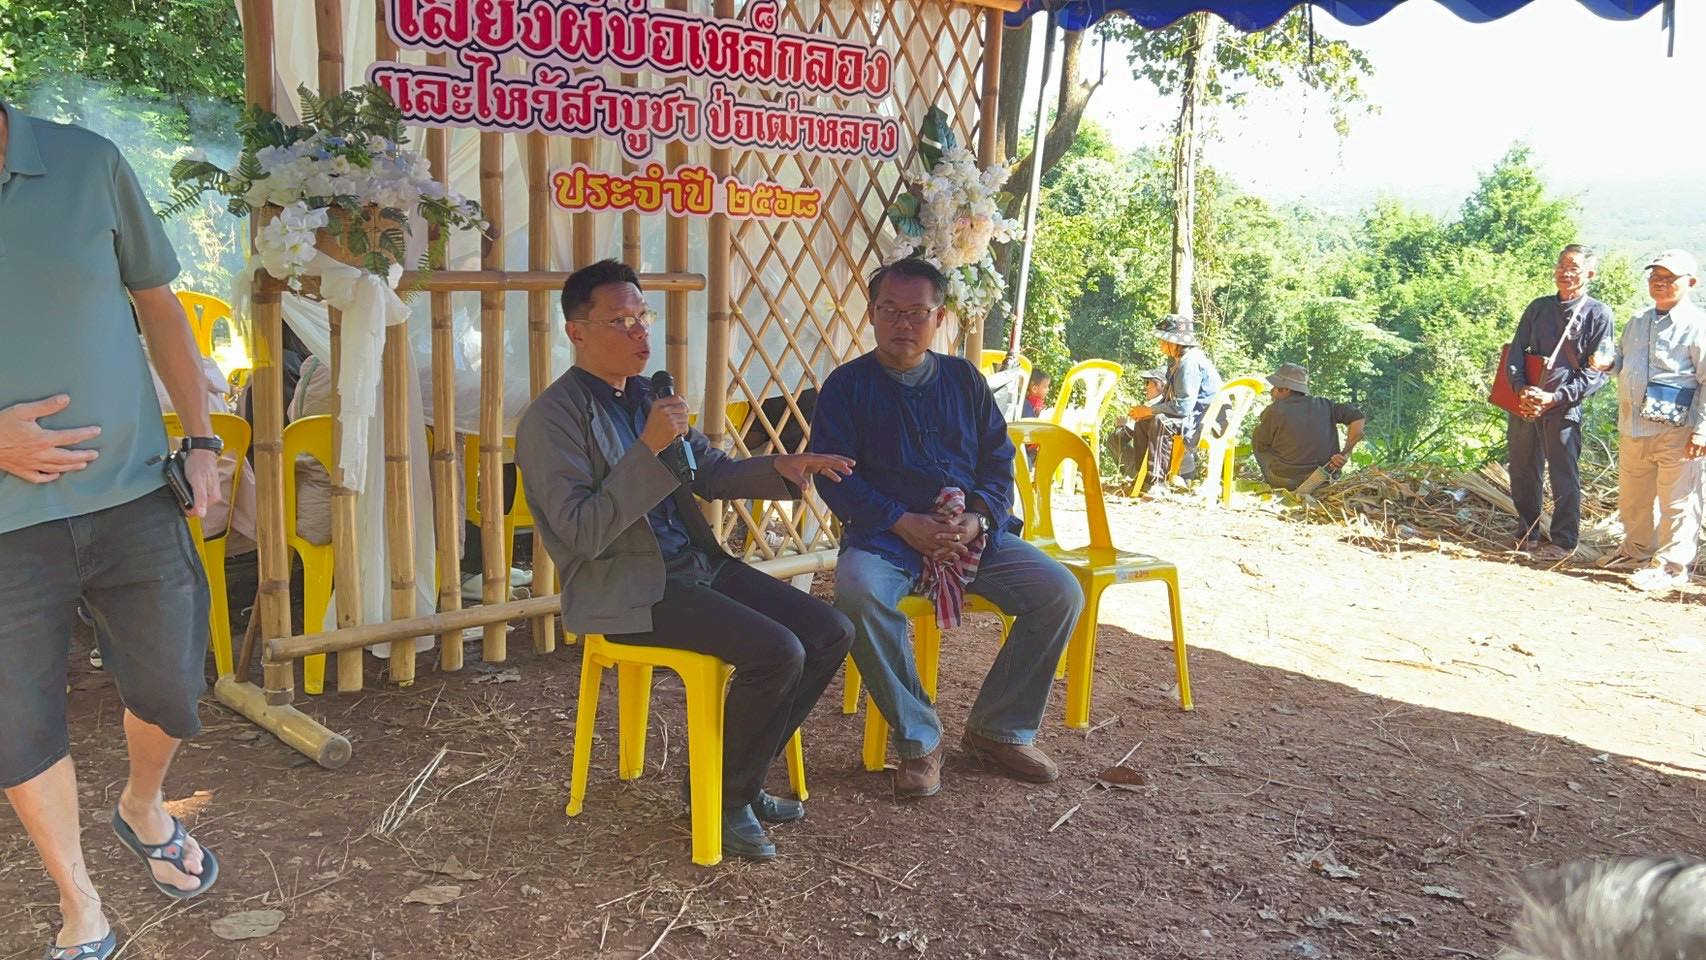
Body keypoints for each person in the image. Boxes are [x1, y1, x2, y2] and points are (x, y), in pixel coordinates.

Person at [517, 260, 855, 861]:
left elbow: (711, 472)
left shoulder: (647, 396)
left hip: (694, 565)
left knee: (830, 630)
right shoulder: (552, 418)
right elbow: (580, 532)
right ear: (576, 331)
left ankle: (730, 780)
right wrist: (648, 449)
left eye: (642, 316)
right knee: (778, 650)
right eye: (620, 321)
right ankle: (721, 798)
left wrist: (783, 467)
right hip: (627, 583)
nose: (639, 331)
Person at [0, 97, 219, 960]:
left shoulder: (88, 164)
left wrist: (201, 439)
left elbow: (158, 305)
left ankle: (143, 805)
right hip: (5, 526)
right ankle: (80, 905)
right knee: (18, 723)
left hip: (131, 492)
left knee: (172, 686)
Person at [811, 258, 1085, 799]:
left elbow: (998, 461)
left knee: (1058, 591)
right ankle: (919, 737)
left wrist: (978, 518)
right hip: (886, 538)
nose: (903, 324)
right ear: (871, 313)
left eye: (917, 312)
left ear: (939, 318)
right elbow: (834, 477)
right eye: (890, 310)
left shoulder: (964, 380)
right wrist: (900, 520)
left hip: (970, 534)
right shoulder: (846, 387)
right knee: (858, 593)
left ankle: (998, 730)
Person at [1598, 249, 1706, 592]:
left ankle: (1671, 567)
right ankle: (1636, 553)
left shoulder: (1698, 324)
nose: (1659, 283)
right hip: (1634, 425)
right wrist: (1607, 363)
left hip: (1678, 430)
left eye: (1668, 278)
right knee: (1633, 497)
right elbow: (1623, 362)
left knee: (1678, 500)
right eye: (1655, 277)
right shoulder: (1638, 319)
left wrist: (1702, 431)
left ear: (1690, 282)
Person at [1501, 244, 1614, 560]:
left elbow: (1597, 372)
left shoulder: (1598, 314)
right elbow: (1515, 353)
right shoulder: (1538, 308)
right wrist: (1521, 389)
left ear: (1590, 274)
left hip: (1562, 406)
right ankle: (1527, 533)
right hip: (1525, 403)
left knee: (1563, 475)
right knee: (1523, 470)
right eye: (1562, 265)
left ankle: (1563, 542)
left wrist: (1555, 397)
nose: (1565, 272)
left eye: (1574, 267)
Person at [1124, 315, 1222, 492]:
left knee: (1161, 422)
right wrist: (1146, 412)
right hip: (1194, 415)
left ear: (1175, 343)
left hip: (1204, 420)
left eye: (1164, 340)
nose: (1161, 345)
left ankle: (1157, 482)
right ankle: (1143, 478)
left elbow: (1184, 406)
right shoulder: (1182, 361)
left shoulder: (1189, 363)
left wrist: (1150, 410)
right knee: (1143, 423)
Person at [1251, 363, 1366, 492]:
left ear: (1287, 389)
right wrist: (1345, 454)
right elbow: (1358, 417)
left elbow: (1262, 445)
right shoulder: (1324, 404)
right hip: (1326, 478)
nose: (1271, 392)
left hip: (1288, 481)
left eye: (1275, 387)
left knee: (1257, 433)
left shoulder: (1274, 410)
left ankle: (1274, 481)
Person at [1109, 367, 1167, 479]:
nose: (1146, 387)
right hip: (1181, 468)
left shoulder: (1153, 406)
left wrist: (1121, 426)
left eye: (1148, 382)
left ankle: (1139, 477)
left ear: (1161, 385)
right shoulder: (1167, 404)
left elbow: (1123, 436)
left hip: (1159, 469)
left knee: (1114, 438)